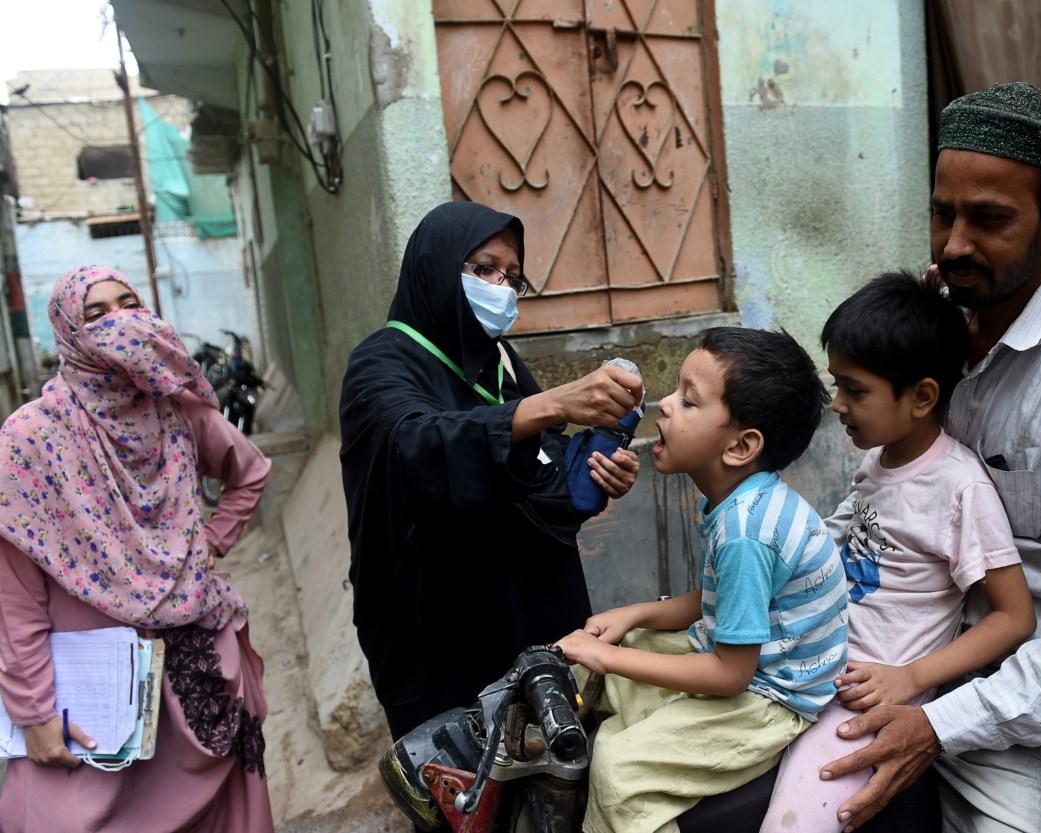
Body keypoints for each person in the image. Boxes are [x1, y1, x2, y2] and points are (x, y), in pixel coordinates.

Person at [821, 81, 1041, 833]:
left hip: (1013, 696)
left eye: (988, 220)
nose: (953, 245)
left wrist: (943, 722)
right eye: (941, 214)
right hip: (885, 639)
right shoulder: (935, 314)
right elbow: (881, 490)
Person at [339, 201, 642, 741]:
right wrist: (553, 403)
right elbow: (415, 445)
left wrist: (593, 472)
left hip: (534, 610)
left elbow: (535, 462)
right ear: (435, 264)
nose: (501, 288)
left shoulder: (497, 360)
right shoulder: (383, 362)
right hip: (446, 630)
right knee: (468, 784)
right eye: (482, 269)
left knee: (557, 772)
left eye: (513, 278)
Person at [760, 272, 1036, 833]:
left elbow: (1015, 617)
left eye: (854, 390)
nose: (837, 404)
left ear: (922, 397)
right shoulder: (878, 461)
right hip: (817, 664)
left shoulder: (960, 488)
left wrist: (910, 678)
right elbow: (830, 540)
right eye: (837, 384)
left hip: (866, 702)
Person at [0, 266, 273, 832]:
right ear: (69, 333)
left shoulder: (175, 409)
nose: (120, 322)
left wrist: (210, 542)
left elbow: (249, 472)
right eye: (97, 315)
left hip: (197, 674)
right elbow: (15, 599)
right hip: (92, 696)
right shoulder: (29, 440)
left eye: (129, 304)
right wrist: (35, 712)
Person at [556, 327, 849, 833]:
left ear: (740, 446)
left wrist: (610, 654)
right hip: (743, 660)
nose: (665, 406)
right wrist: (635, 615)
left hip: (769, 700)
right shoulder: (742, 499)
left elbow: (731, 674)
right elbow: (723, 601)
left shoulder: (745, 531)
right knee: (613, 668)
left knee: (617, 768)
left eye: (688, 401)